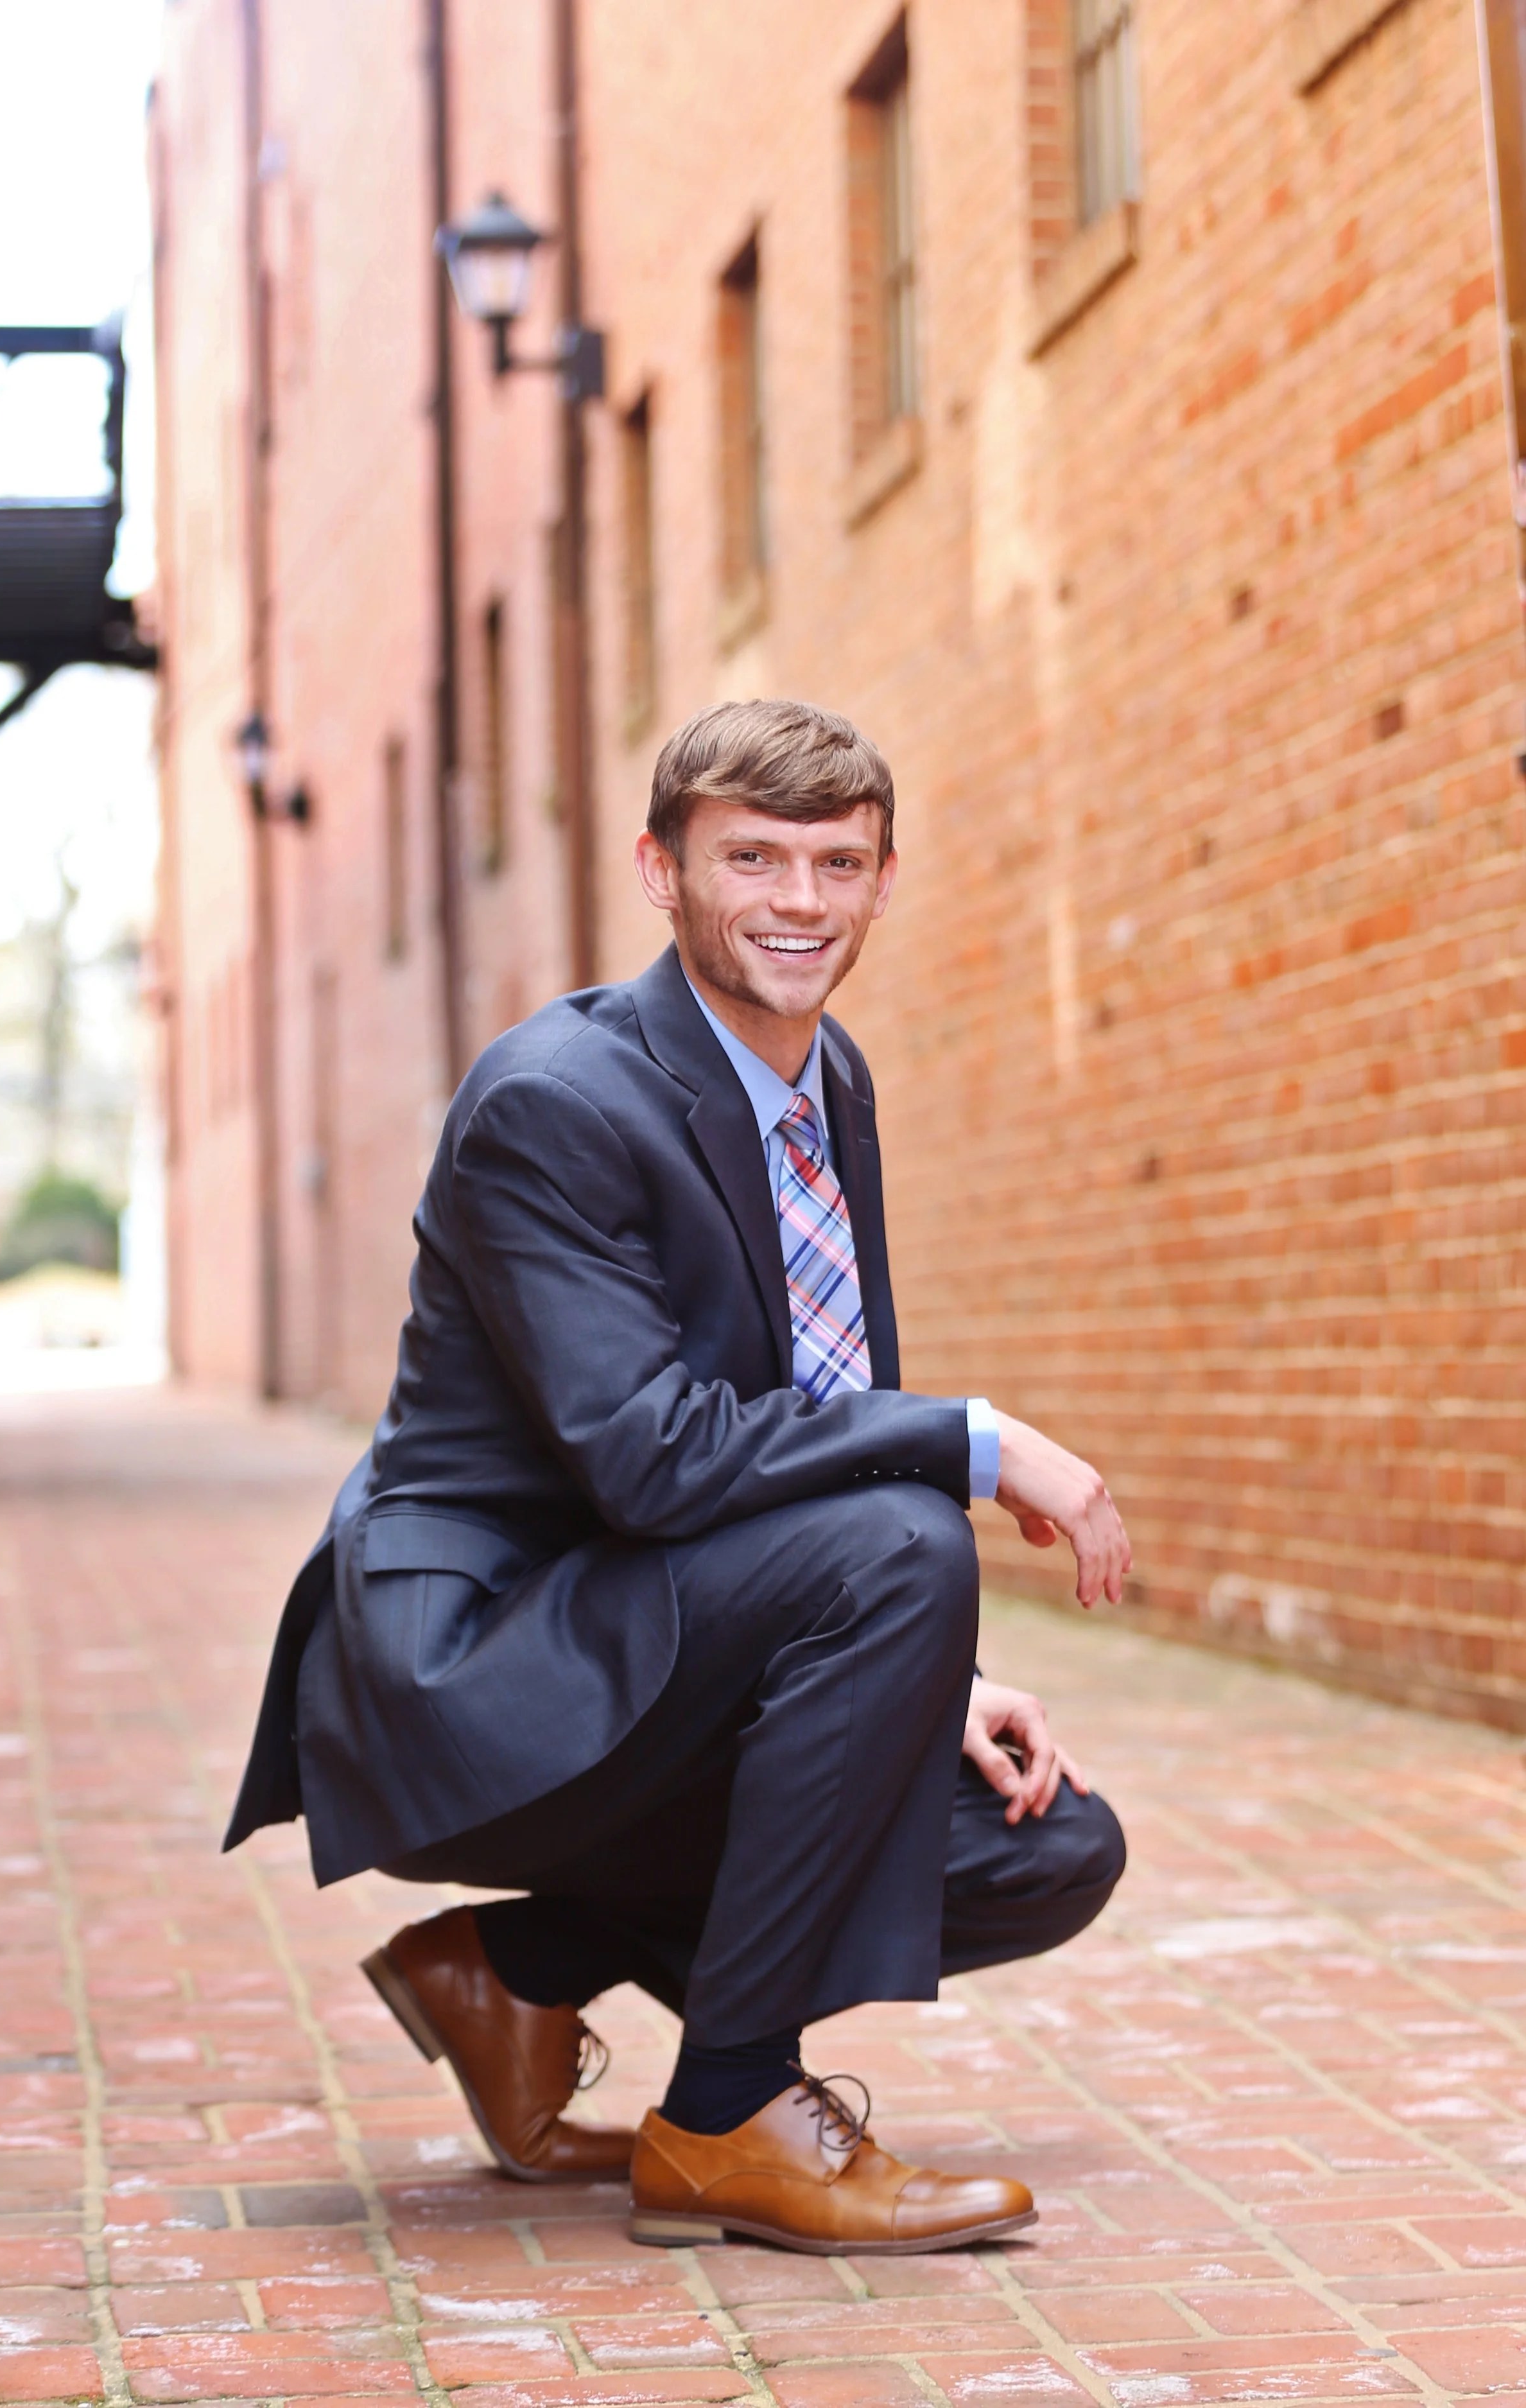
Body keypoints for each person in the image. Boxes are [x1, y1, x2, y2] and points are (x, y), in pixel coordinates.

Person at [225, 698, 1131, 2256]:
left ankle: (516, 1970)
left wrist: (937, 1676)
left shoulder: (824, 1078)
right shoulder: (554, 1103)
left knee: (1045, 1848)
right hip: (478, 1662)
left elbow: (810, 1410)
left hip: (660, 1626)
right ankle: (726, 2118)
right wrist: (973, 1438)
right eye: (751, 858)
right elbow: (651, 1455)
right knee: (912, 1539)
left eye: (834, 863)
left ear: (882, 882)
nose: (796, 900)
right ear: (659, 871)